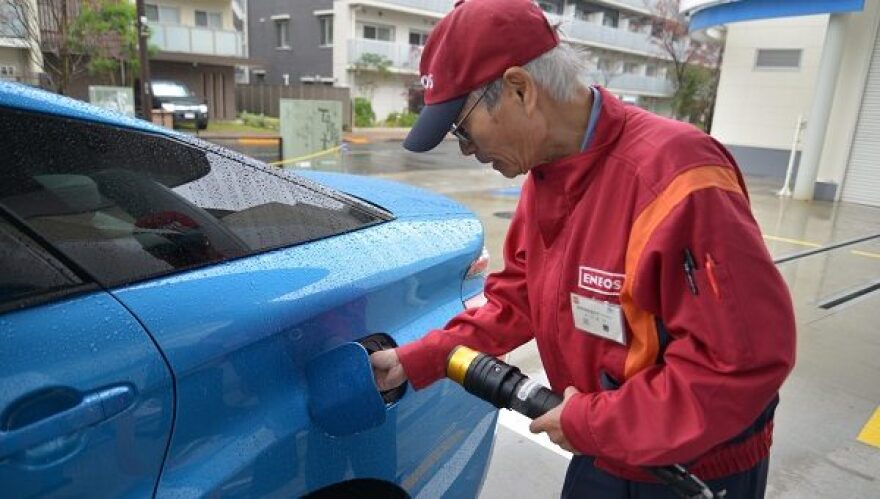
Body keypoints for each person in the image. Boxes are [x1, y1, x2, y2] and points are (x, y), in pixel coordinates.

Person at [370, 0, 796, 497]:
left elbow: (743, 363)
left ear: (520, 90)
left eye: (462, 128)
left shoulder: (677, 178)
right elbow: (518, 298)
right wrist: (418, 357)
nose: (466, 148)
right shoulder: (548, 173)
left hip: (691, 471)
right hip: (605, 446)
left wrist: (596, 423)